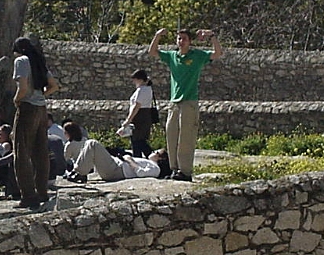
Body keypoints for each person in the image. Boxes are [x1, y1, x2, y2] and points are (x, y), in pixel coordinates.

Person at [149, 27, 223, 182]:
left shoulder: (197, 56)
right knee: (172, 136)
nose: (181, 42)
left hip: (189, 102)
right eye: (178, 39)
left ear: (190, 42)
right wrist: (157, 36)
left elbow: (217, 54)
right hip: (174, 102)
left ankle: (185, 171)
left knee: (186, 138)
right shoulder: (172, 56)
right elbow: (153, 52)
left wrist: (212, 36)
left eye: (184, 39)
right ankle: (174, 169)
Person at [11, 37, 60, 209]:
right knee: (41, 152)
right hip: (42, 109)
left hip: (28, 108)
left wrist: (16, 100)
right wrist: (41, 96)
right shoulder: (37, 60)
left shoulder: (21, 61)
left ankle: (28, 196)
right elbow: (53, 85)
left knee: (22, 151)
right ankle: (42, 192)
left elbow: (22, 87)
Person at [62, 121, 164, 182]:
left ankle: (78, 172)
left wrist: (129, 160)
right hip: (116, 165)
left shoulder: (156, 168)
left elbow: (141, 173)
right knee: (92, 145)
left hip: (117, 170)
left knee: (92, 143)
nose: (153, 151)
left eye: (156, 152)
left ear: (161, 158)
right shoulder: (149, 163)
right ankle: (80, 171)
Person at [117, 69, 157, 158]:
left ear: (140, 79)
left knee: (137, 142)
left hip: (139, 117)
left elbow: (136, 106)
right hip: (145, 116)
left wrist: (128, 120)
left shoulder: (141, 90)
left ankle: (151, 157)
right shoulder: (148, 89)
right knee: (139, 142)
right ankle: (147, 158)